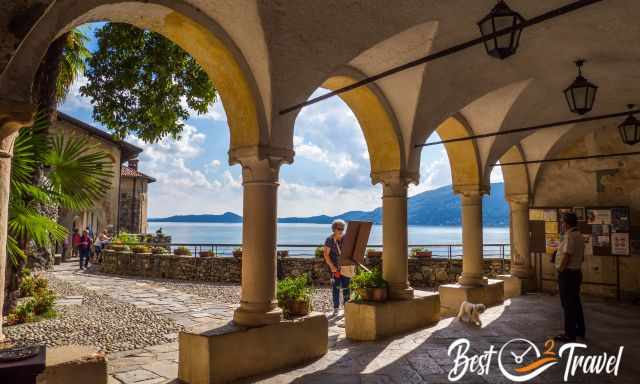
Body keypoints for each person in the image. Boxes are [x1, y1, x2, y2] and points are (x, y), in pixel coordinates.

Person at [555, 212, 586, 342]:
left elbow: (567, 255)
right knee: (575, 303)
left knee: (567, 304)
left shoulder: (569, 236)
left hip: (568, 274)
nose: (562, 224)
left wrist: (560, 269)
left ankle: (569, 333)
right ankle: (580, 329)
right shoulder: (579, 235)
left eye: (562, 222)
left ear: (567, 223)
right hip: (576, 272)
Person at [323, 219, 352, 315]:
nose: (341, 230)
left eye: (343, 228)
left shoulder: (347, 238)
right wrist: (332, 267)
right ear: (334, 229)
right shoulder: (329, 240)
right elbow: (326, 255)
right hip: (335, 268)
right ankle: (336, 308)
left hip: (345, 266)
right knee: (336, 288)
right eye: (339, 228)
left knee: (346, 287)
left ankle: (347, 307)